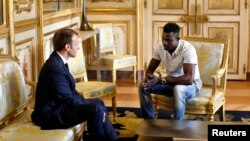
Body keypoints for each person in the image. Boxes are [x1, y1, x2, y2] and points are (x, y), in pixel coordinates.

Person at [31, 29, 119, 141]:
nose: (78, 48)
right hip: (50, 113)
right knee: (95, 108)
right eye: (76, 44)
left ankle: (114, 138)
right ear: (67, 47)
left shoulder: (59, 61)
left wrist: (86, 103)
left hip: (60, 105)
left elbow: (71, 93)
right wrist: (88, 106)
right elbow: (67, 98)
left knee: (99, 103)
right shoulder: (54, 67)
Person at [138, 22, 202, 120]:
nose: (165, 42)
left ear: (178, 39)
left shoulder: (187, 49)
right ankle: (149, 122)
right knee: (143, 86)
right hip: (170, 83)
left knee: (178, 89)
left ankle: (177, 126)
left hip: (192, 85)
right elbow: (150, 70)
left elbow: (188, 79)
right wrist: (149, 77)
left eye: (169, 40)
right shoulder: (160, 47)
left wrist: (160, 80)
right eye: (163, 39)